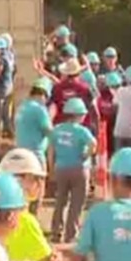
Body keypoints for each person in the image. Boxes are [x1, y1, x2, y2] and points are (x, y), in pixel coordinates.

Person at [48, 97, 96, 243]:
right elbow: (93, 144)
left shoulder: (57, 129)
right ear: (79, 115)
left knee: (60, 201)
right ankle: (71, 235)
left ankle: (56, 232)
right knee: (77, 203)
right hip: (79, 169)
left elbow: (50, 151)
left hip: (61, 169)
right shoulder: (82, 131)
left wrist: (51, 169)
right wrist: (85, 155)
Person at [14, 77, 55, 168]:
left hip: (20, 152)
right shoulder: (39, 109)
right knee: (39, 181)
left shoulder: (22, 106)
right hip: (35, 154)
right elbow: (49, 132)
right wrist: (51, 116)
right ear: (44, 95)